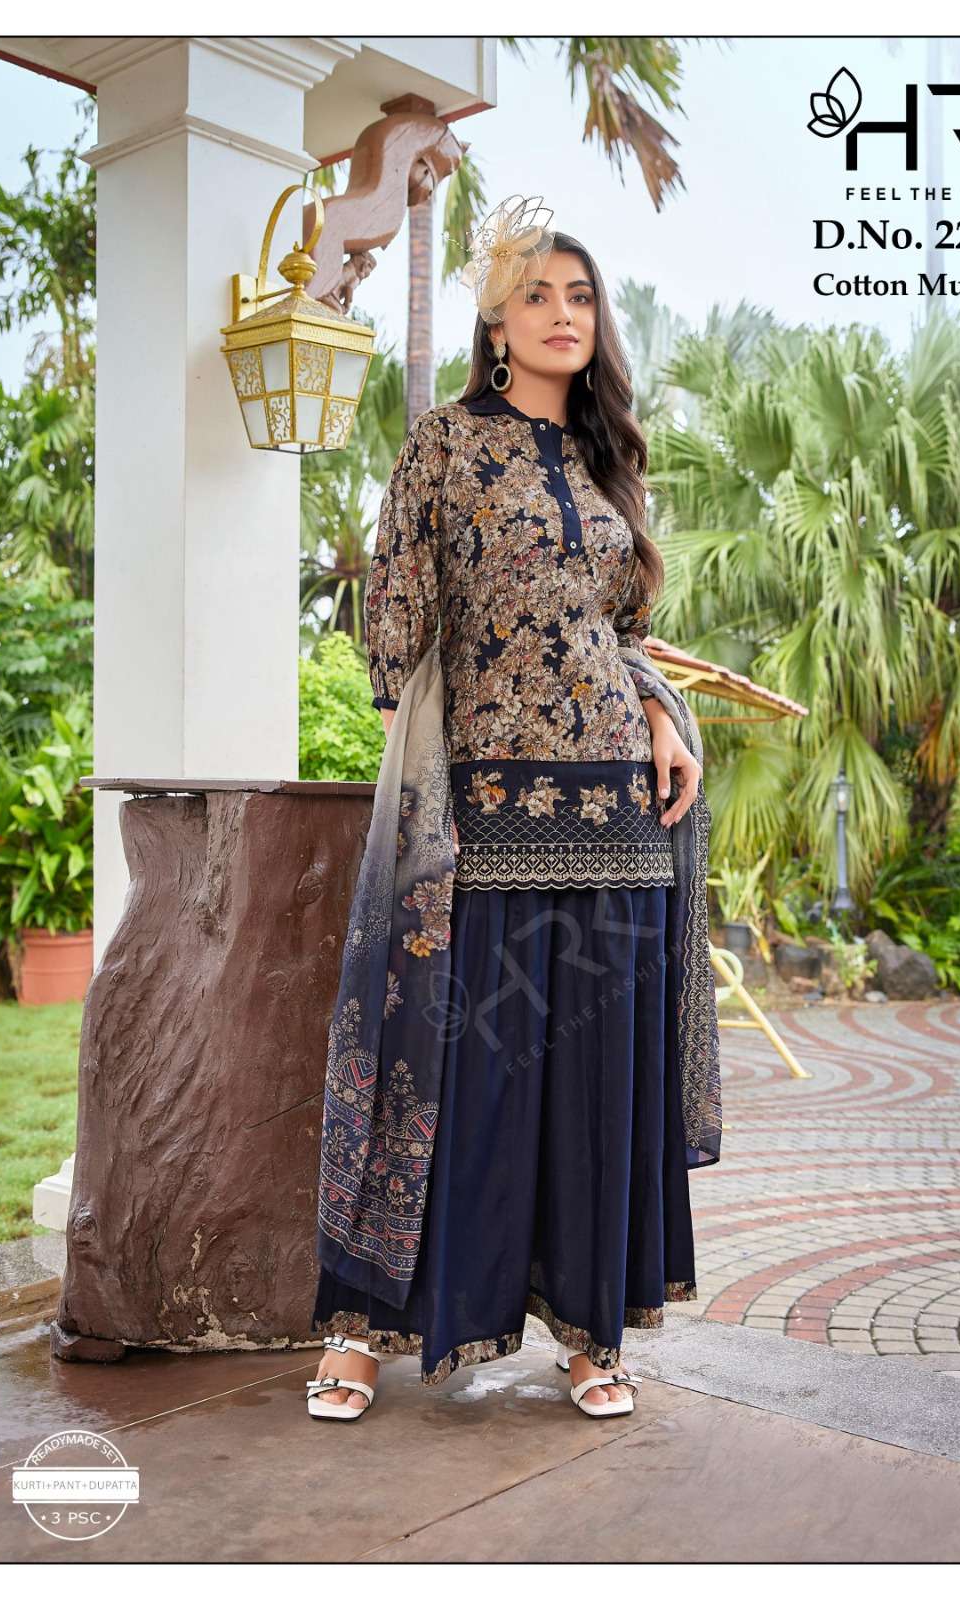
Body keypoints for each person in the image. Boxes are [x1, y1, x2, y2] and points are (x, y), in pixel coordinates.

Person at [307, 196, 720, 1422]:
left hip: (622, 814)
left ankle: (591, 1334)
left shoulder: (606, 462)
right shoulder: (443, 444)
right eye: (537, 295)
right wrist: (425, 767)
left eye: (580, 297)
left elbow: (624, 634)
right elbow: (395, 622)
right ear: (495, 324)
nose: (561, 314)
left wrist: (661, 716)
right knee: (460, 1066)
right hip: (483, 805)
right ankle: (365, 1327)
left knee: (594, 1081)